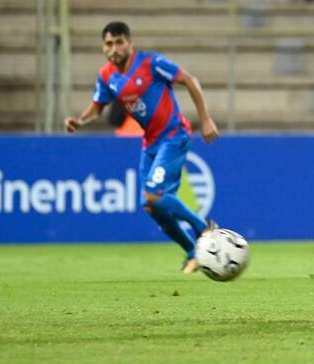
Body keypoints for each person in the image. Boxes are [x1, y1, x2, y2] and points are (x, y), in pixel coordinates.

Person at [64, 22, 220, 274]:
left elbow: (190, 80)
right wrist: (80, 121)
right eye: (109, 44)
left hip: (173, 135)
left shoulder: (151, 63)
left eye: (119, 42)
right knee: (150, 206)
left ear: (130, 43)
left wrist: (205, 119)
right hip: (151, 142)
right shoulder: (106, 76)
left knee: (152, 195)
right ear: (103, 47)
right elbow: (97, 107)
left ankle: (203, 228)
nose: (114, 49)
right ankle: (193, 252)